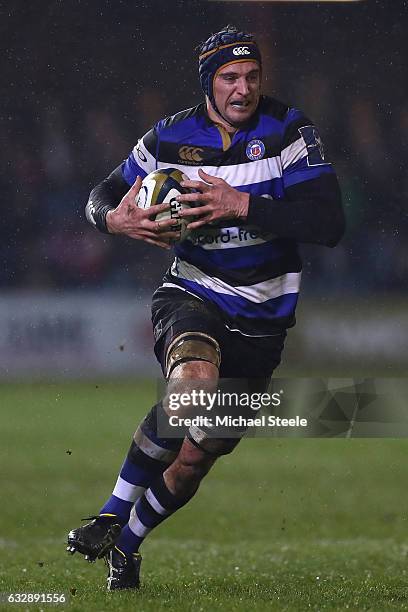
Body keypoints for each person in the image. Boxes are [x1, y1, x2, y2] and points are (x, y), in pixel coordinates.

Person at [67, 25, 345, 590]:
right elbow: (98, 196)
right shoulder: (170, 137)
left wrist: (242, 204)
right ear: (207, 83)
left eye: (251, 76)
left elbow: (329, 223)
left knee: (200, 453)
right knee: (192, 384)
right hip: (193, 291)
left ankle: (127, 542)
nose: (242, 89)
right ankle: (111, 512)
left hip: (264, 319)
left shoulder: (291, 131)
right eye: (228, 78)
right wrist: (112, 219)